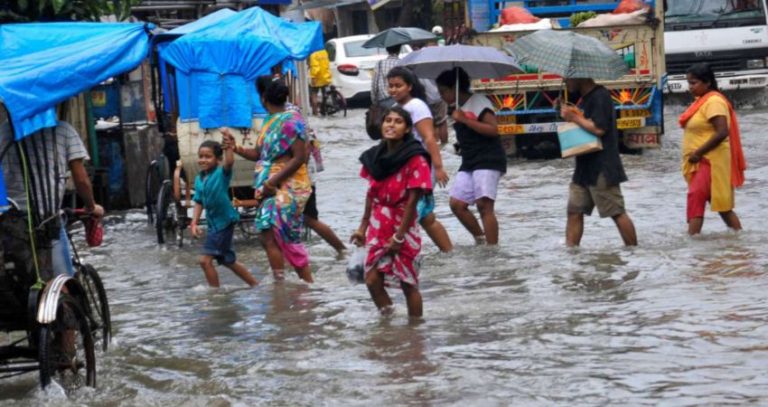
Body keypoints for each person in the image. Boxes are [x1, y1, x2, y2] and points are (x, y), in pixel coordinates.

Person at [227, 77, 313, 282]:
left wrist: (272, 181)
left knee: (287, 237)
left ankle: (308, 284)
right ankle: (280, 282)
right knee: (266, 234)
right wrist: (236, 147)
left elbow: (300, 158)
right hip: (267, 187)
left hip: (287, 186)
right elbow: (259, 153)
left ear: (263, 98)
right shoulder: (268, 122)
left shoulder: (292, 121)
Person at [351, 107, 432, 317]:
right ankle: (389, 322)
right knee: (371, 279)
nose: (391, 125)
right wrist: (362, 227)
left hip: (403, 226)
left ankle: (415, 331)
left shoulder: (415, 159)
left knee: (408, 284)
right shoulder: (374, 157)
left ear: (407, 129)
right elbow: (371, 193)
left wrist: (399, 236)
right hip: (378, 225)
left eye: (398, 121)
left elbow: (414, 201)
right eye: (388, 120)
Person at [0, 120, 104, 278]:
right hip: (47, 219)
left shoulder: (4, 132)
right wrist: (91, 206)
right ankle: (65, 299)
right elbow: (81, 181)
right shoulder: (64, 130)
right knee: (63, 281)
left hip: (9, 217)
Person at [560, 78, 637, 247]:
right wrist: (572, 116)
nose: (565, 81)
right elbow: (586, 124)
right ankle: (572, 256)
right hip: (583, 167)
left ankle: (634, 252)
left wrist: (574, 117)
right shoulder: (585, 98)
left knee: (616, 212)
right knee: (574, 211)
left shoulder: (600, 96)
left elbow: (599, 129)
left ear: (581, 76)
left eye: (568, 77)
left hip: (602, 166)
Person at [436, 68, 506, 245]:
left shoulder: (479, 102)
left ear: (455, 88)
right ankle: (481, 239)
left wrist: (466, 120)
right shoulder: (455, 108)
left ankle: (492, 249)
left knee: (484, 205)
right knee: (457, 204)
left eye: (443, 91)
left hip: (488, 158)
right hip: (469, 160)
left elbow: (493, 129)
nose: (441, 96)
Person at [387, 66, 453, 252]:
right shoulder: (395, 108)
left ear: (409, 86)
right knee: (425, 217)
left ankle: (406, 254)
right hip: (403, 169)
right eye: (390, 86)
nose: (393, 90)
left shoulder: (417, 106)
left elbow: (429, 138)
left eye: (398, 85)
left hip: (419, 169)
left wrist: (438, 167)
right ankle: (448, 252)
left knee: (413, 214)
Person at [679, 63, 746, 235]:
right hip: (701, 160)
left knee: (696, 197)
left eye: (694, 83)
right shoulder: (701, 101)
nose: (690, 87)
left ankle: (691, 244)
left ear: (707, 82)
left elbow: (722, 131)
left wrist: (698, 152)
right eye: (689, 83)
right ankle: (739, 240)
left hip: (709, 160)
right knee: (721, 206)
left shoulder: (714, 101)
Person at [190, 139, 258, 288]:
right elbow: (199, 201)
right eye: (201, 156)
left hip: (224, 222)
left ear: (218, 159)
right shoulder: (199, 179)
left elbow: (229, 163)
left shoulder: (222, 174)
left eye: (208, 156)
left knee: (205, 260)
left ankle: (215, 294)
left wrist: (228, 147)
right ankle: (254, 284)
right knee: (228, 260)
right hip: (214, 224)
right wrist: (194, 222)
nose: (203, 160)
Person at [308, 49, 332, 116]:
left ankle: (315, 113)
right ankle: (323, 110)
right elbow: (327, 64)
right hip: (326, 76)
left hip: (318, 78)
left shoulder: (313, 54)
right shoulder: (324, 52)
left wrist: (313, 77)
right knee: (324, 95)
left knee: (314, 95)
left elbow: (315, 67)